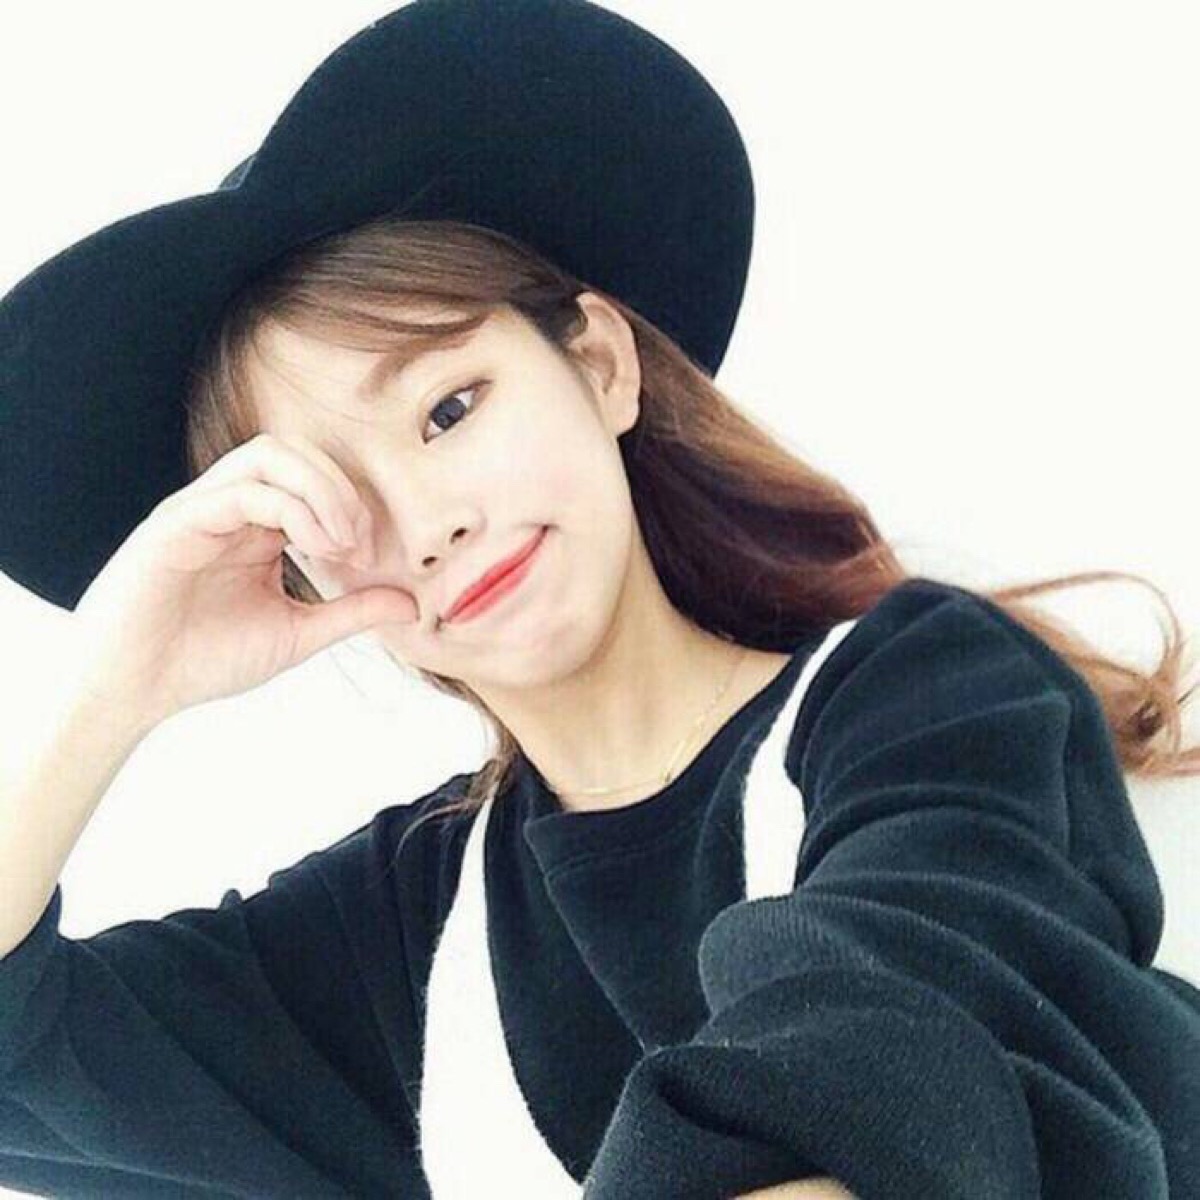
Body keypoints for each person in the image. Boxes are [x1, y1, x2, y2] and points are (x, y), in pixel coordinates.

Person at [1, 2, 1199, 1197]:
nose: (430, 524)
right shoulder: (406, 937)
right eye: (332, 499)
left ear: (600, 365)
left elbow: (886, 1058)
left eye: (450, 409)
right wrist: (110, 687)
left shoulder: (926, 694)